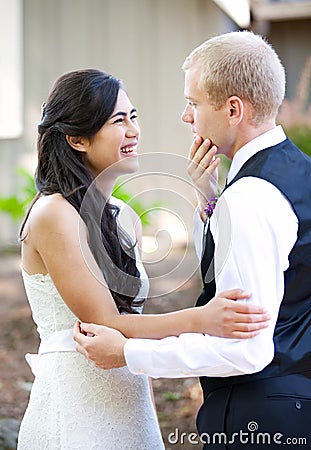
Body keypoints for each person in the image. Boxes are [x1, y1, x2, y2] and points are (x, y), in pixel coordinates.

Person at [74, 31, 311, 449]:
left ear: (233, 109)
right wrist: (210, 199)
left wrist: (129, 354)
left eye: (193, 103)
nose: (186, 116)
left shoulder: (251, 197)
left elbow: (246, 351)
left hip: (261, 418)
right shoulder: (296, 173)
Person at [17, 68, 269, 450]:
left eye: (133, 117)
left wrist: (208, 198)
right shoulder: (53, 213)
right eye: (118, 121)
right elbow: (105, 321)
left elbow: (142, 318)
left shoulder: (123, 216)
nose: (134, 130)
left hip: (130, 394)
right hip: (75, 404)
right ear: (76, 138)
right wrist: (202, 320)